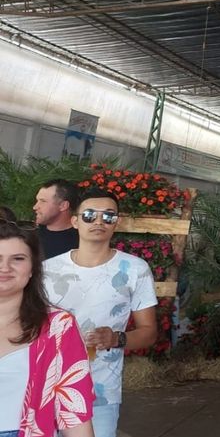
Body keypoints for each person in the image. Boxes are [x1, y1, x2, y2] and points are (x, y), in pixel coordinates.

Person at [42, 188, 157, 437]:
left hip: (100, 391)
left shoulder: (135, 269)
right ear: (75, 221)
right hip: (46, 386)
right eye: (89, 215)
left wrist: (116, 338)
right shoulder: (47, 270)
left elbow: (149, 333)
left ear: (117, 222)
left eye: (108, 216)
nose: (98, 222)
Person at [1, 221, 95, 437]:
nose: (5, 267)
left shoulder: (58, 326)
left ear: (33, 268)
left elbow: (73, 409)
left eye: (18, 258)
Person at [33, 179, 80, 259]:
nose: (35, 207)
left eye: (43, 201)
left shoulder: (83, 240)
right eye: (37, 201)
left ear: (63, 206)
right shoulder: (31, 235)